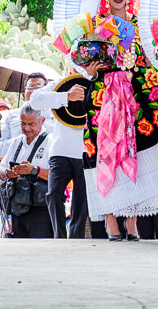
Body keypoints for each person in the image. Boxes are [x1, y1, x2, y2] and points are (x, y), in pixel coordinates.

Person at [81, 0, 158, 241]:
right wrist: (91, 68)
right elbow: (86, 67)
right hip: (102, 97)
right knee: (104, 153)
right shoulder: (94, 26)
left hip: (134, 95)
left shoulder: (141, 26)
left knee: (138, 153)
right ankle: (110, 219)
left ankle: (131, 221)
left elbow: (151, 62)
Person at [29, 75, 90, 239]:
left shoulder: (98, 83)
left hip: (86, 151)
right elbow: (34, 100)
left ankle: (76, 239)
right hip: (60, 150)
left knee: (81, 199)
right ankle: (60, 236)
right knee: (54, 193)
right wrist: (66, 96)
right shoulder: (62, 84)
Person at [0, 103, 53, 238]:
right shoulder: (16, 142)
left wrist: (34, 170)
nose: (26, 128)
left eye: (31, 124)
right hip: (18, 207)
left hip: (41, 209)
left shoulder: (50, 141)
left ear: (43, 121)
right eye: (23, 124)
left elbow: (58, 175)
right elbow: (1, 169)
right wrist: (7, 173)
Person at [0, 73, 54, 159]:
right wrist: (20, 139)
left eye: (38, 88)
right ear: (24, 91)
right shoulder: (12, 116)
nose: (33, 91)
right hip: (17, 167)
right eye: (29, 88)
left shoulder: (55, 117)